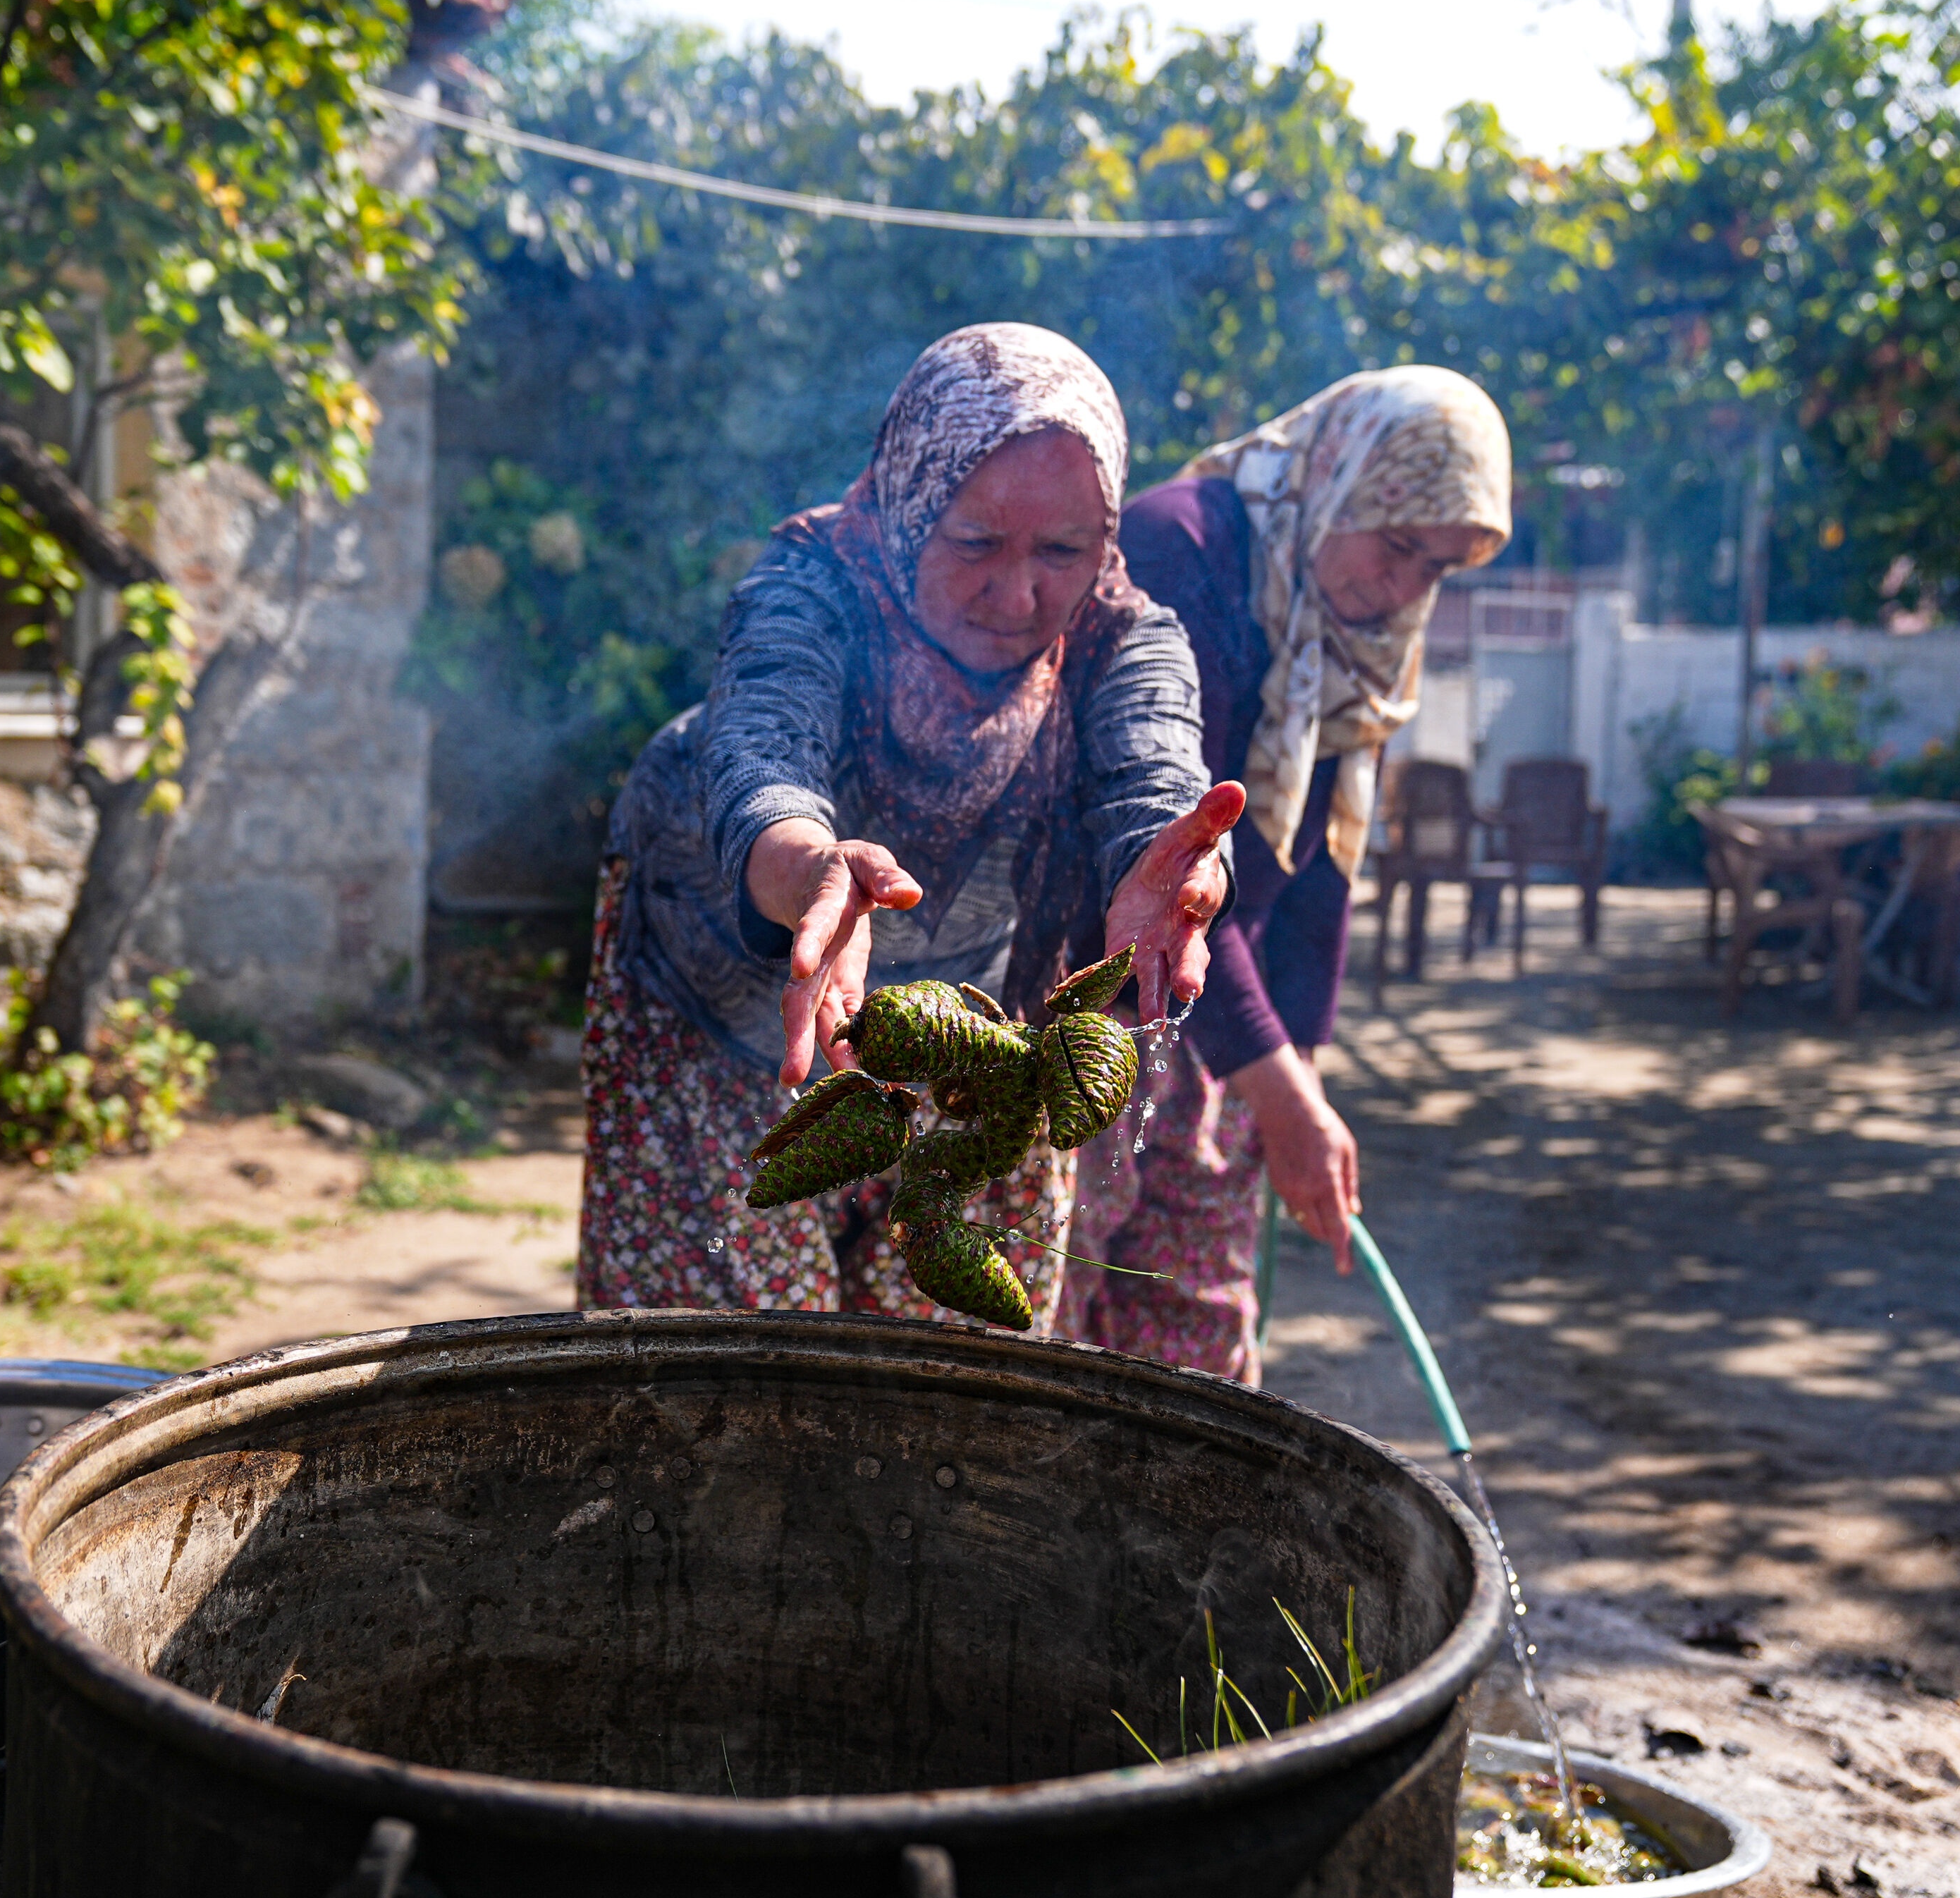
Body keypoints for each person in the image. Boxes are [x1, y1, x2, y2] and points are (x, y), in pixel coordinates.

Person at [577, 322, 1244, 1324]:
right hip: (727, 980)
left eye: (1062, 551)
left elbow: (1154, 778)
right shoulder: (813, 585)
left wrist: (1173, 867)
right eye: (975, 541)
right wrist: (812, 870)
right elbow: (766, 751)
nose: (1018, 595)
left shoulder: (1123, 638)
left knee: (951, 1358)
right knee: (736, 1355)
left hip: (966, 1021)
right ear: (910, 501)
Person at [1053, 366, 1512, 1381]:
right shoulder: (1187, 550)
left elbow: (1314, 869)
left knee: (1195, 1345)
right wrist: (1272, 1079)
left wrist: (1296, 1070)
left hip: (1212, 1006)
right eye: (1396, 544)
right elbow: (1166, 854)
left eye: (1435, 569)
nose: (1402, 589)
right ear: (1337, 479)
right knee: (1044, 1316)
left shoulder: (1364, 633)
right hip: (1088, 993)